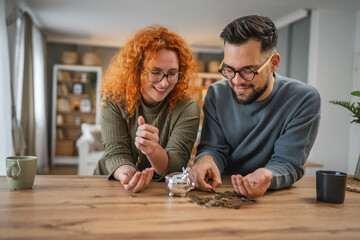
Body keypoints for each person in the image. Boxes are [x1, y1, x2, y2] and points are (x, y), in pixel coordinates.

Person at [189, 15, 321, 198]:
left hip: (273, 197)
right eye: (229, 69)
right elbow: (213, 148)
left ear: (274, 63)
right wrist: (205, 160)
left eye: (248, 71)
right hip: (219, 191)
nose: (236, 81)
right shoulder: (216, 93)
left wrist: (267, 176)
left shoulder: (303, 98)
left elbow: (288, 162)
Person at [94, 26, 200, 193]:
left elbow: (177, 165)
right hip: (113, 183)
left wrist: (153, 150)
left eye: (172, 73)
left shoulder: (187, 107)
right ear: (136, 71)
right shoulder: (113, 99)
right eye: (155, 72)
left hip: (160, 191)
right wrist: (128, 176)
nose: (164, 83)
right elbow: (116, 152)